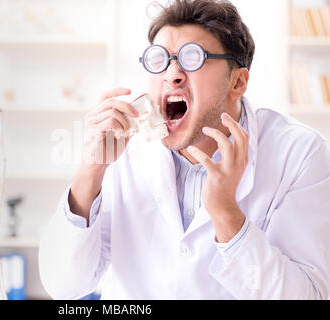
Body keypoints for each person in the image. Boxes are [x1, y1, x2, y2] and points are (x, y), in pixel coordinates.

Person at [38, 0, 330, 299]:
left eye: (194, 58)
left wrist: (227, 215)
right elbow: (64, 286)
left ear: (238, 82)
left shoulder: (299, 153)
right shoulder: (121, 148)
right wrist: (91, 170)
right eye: (159, 59)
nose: (172, 74)